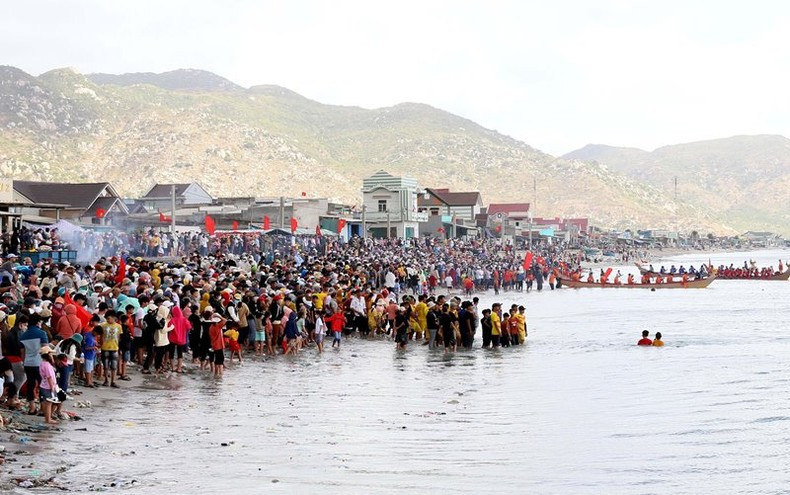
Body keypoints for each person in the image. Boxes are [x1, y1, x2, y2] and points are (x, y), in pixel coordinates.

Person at [20, 313, 48, 414]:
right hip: (39, 363)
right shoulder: (42, 334)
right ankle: (42, 408)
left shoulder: (23, 336)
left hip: (28, 363)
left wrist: (24, 363)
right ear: (38, 322)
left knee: (30, 385)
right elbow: (45, 349)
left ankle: (31, 407)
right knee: (43, 385)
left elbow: (22, 353)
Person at [38, 345, 60, 425]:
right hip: (48, 386)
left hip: (43, 385)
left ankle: (47, 418)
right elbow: (49, 377)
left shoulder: (42, 364)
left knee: (46, 403)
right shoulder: (47, 365)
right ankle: (48, 419)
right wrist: (52, 387)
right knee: (49, 403)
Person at [100, 310, 122, 387]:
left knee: (114, 366)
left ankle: (113, 381)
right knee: (105, 365)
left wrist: (118, 347)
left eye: (109, 318)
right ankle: (106, 380)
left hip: (114, 347)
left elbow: (119, 337)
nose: (108, 320)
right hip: (105, 347)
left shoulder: (118, 326)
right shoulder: (103, 325)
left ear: (114, 318)